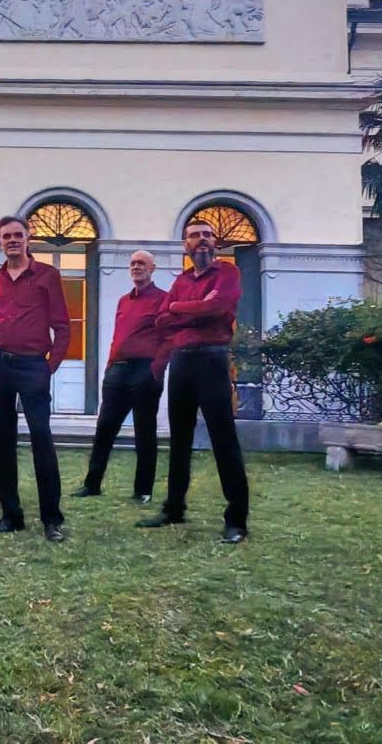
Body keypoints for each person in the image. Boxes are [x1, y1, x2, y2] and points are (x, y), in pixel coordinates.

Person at [139, 220, 250, 544]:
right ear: (185, 245)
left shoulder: (228, 274)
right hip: (183, 361)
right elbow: (161, 319)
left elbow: (218, 307)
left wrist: (178, 309)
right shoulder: (182, 281)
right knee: (180, 438)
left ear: (215, 242)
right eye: (194, 236)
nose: (201, 240)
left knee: (223, 439)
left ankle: (237, 520)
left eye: (207, 235)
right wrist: (187, 310)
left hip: (213, 360)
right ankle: (174, 508)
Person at [0, 216, 71, 543]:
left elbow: (63, 326)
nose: (12, 240)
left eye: (18, 235)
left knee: (41, 438)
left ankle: (52, 519)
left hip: (33, 366)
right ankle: (11, 515)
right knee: (0, 442)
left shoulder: (47, 275)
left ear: (28, 238)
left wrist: (49, 367)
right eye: (6, 236)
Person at [73, 251, 166, 504]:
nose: (137, 267)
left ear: (152, 268)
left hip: (145, 371)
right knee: (104, 428)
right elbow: (118, 335)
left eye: (142, 264)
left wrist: (156, 369)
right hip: (118, 370)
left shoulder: (163, 300)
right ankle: (92, 484)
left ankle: (143, 491)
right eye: (133, 264)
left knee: (143, 432)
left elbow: (168, 339)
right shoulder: (124, 301)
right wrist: (109, 365)